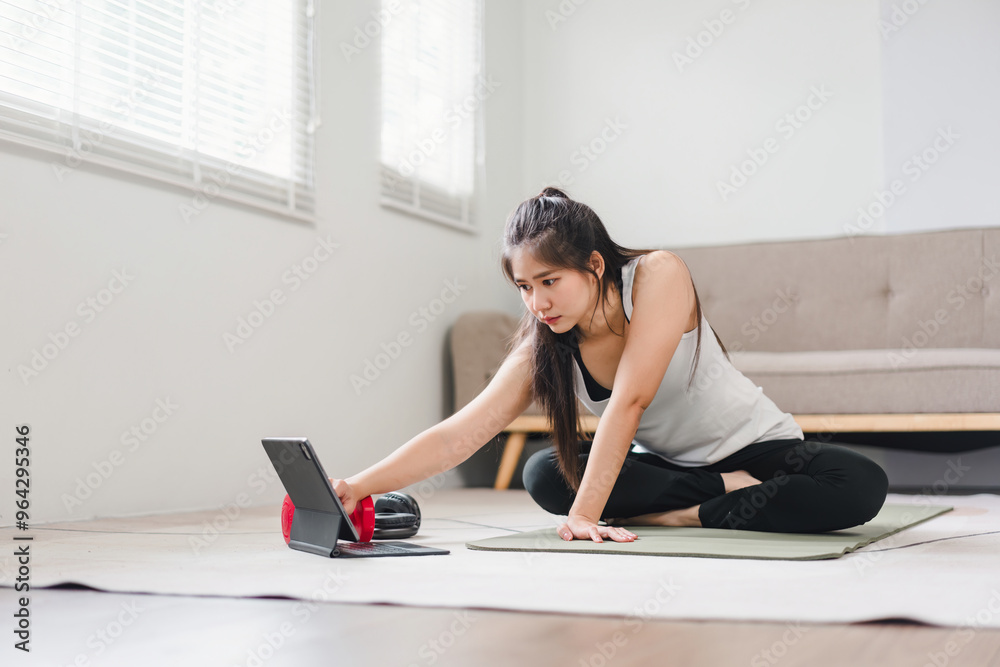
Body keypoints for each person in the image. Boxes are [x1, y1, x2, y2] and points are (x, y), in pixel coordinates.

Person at [332, 187, 889, 544]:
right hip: (673, 467)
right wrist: (358, 486)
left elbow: (630, 401)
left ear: (594, 265)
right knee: (541, 472)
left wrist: (584, 516)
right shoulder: (543, 342)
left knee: (860, 484)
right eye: (524, 287)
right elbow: (461, 434)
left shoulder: (656, 275)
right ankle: (710, 499)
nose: (536, 303)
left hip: (755, 446)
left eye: (549, 282)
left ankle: (683, 514)